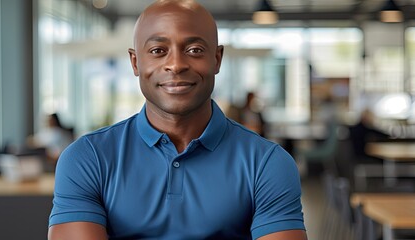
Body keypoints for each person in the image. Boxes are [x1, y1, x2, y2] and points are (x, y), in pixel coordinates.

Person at [48, 1, 307, 239]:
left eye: (194, 50)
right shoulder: (87, 158)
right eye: (158, 50)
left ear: (216, 59)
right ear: (135, 62)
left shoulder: (268, 163)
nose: (176, 64)